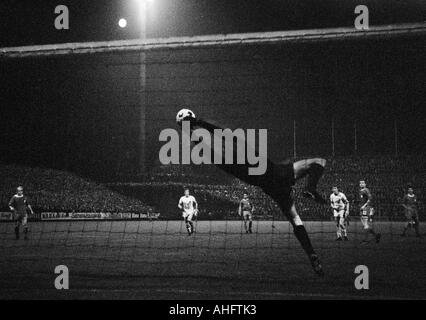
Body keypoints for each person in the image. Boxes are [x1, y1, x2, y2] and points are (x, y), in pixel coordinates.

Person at [179, 114, 328, 276]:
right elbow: (221, 135)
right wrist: (199, 123)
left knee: (296, 220)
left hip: (272, 188)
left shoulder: (228, 165)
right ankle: (310, 190)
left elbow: (208, 145)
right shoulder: (241, 151)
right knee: (319, 162)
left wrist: (190, 129)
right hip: (279, 174)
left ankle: (312, 254)